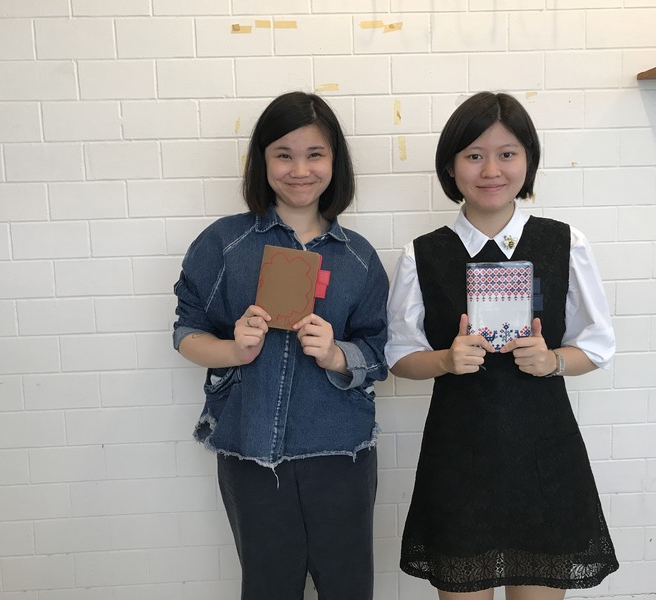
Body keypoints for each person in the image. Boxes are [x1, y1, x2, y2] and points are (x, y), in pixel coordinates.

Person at [386, 91, 619, 599]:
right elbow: (400, 356)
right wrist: (446, 360)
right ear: (451, 167)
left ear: (528, 160)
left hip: (542, 457)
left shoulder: (565, 243)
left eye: (507, 154)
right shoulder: (422, 254)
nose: (491, 170)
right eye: (474, 155)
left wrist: (552, 360)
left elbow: (597, 346)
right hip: (459, 457)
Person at [172, 91, 389, 600]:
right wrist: (233, 349)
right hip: (251, 448)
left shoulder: (357, 257)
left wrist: (337, 354)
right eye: (283, 155)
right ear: (262, 161)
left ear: (335, 162)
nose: (300, 170)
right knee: (268, 588)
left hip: (340, 451)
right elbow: (186, 332)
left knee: (348, 589)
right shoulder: (224, 243)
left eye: (315, 154)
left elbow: (380, 350)